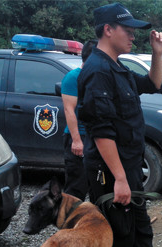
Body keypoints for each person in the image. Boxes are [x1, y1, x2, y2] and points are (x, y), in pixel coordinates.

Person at [77, 2, 162, 247]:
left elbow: (152, 83)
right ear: (108, 30)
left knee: (139, 227)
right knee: (118, 235)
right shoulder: (97, 71)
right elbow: (102, 132)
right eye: (127, 30)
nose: (132, 36)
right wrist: (120, 178)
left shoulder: (118, 67)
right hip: (111, 174)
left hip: (128, 169)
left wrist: (156, 51)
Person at [61, 40, 98, 200]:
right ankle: (71, 222)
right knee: (76, 188)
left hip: (97, 136)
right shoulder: (73, 77)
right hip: (79, 137)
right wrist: (76, 140)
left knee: (98, 185)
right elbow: (69, 110)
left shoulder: (98, 77)